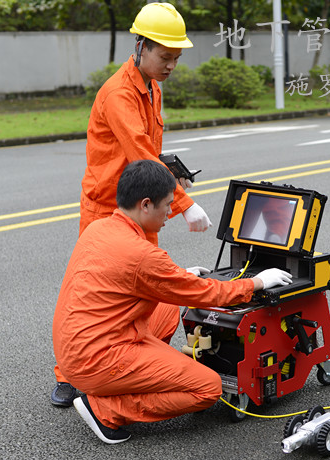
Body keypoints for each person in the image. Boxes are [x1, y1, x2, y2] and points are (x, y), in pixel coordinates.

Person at [52, 160, 292, 444]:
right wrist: (258, 282)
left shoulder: (99, 228)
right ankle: (105, 410)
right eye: (167, 204)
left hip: (75, 346)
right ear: (145, 204)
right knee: (208, 387)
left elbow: (126, 277)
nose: (170, 212)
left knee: (166, 307)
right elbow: (207, 294)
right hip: (96, 359)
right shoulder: (142, 256)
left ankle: (134, 379)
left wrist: (180, 276)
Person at [51, 2, 212, 406]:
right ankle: (70, 375)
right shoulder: (119, 93)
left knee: (146, 290)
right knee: (92, 294)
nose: (171, 65)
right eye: (165, 56)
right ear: (140, 46)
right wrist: (184, 204)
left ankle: (127, 362)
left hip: (141, 206)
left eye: (176, 58)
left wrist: (170, 173)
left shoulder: (152, 87)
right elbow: (139, 149)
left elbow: (149, 152)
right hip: (107, 207)